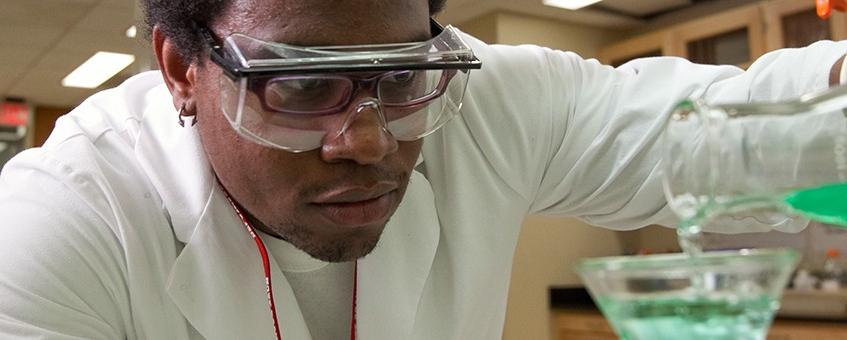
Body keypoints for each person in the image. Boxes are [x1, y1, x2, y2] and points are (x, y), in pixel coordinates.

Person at [1, 0, 845, 339]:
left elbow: (747, 130)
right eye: (300, 86)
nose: (367, 141)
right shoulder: (62, 221)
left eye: (400, 76)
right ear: (184, 70)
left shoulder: (487, 96)